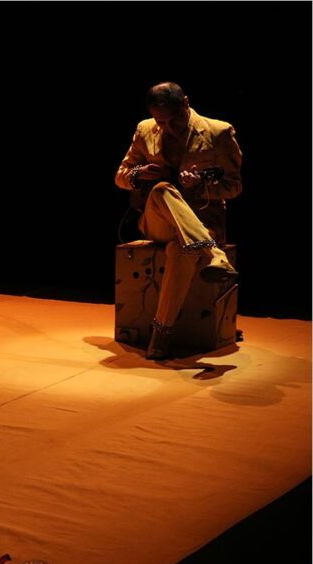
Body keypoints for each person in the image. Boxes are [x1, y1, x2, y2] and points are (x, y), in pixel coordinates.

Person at [115, 82, 242, 360]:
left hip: (202, 222)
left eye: (173, 120)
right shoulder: (145, 129)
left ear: (185, 103)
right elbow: (120, 176)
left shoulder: (219, 132)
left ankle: (161, 332)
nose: (167, 127)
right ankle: (215, 254)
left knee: (182, 249)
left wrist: (200, 186)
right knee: (163, 189)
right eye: (161, 122)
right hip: (157, 219)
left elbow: (234, 186)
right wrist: (138, 173)